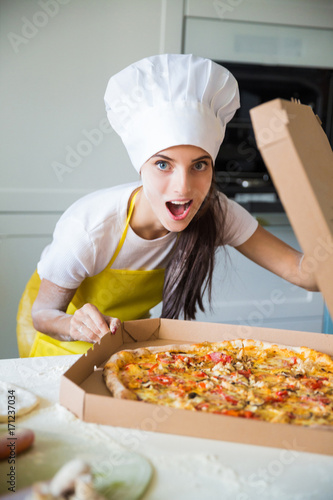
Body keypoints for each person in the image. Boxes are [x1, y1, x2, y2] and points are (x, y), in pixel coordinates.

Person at [17, 54, 318, 357]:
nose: (183, 187)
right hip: (58, 338)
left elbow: (301, 272)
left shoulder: (215, 211)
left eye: (199, 166)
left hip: (121, 340)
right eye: (163, 164)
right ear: (141, 168)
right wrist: (74, 325)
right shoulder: (90, 228)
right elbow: (43, 316)